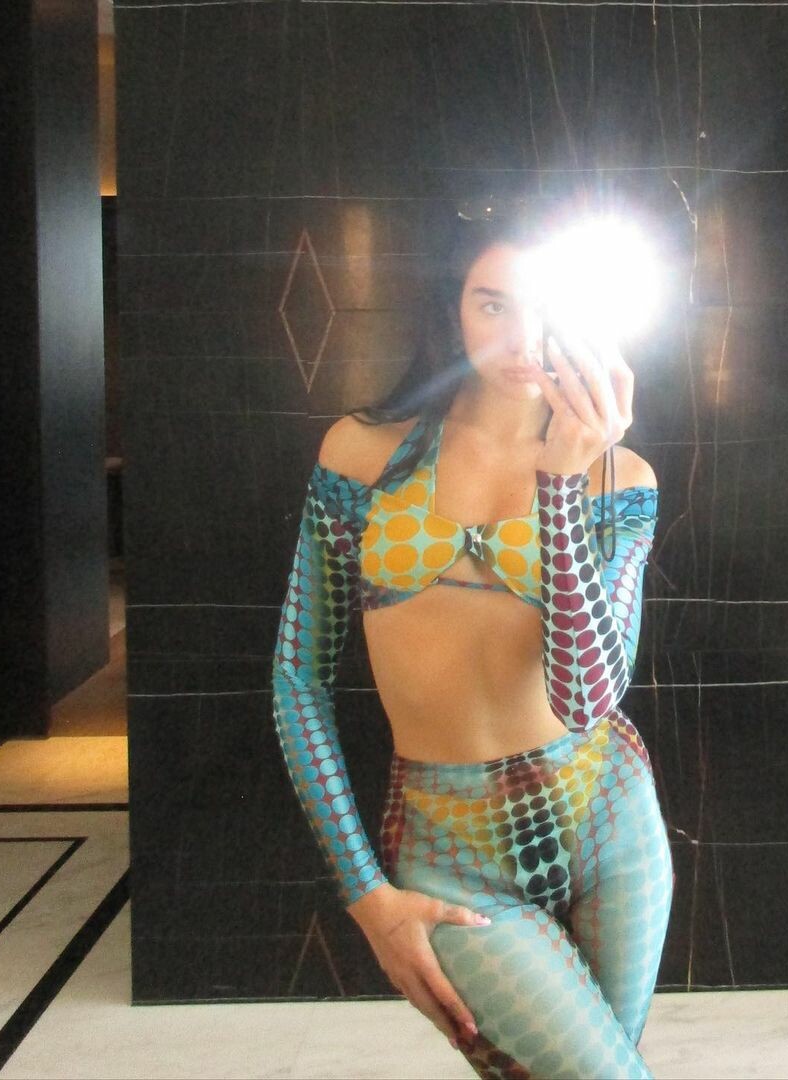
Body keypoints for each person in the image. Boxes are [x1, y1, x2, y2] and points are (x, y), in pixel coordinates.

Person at [271, 199, 674, 1079]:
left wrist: (561, 485)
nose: (523, 337)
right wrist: (366, 894)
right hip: (450, 844)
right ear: (452, 307)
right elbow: (299, 678)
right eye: (494, 303)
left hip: (609, 815)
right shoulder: (363, 454)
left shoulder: (620, 478)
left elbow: (588, 700)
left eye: (548, 307)